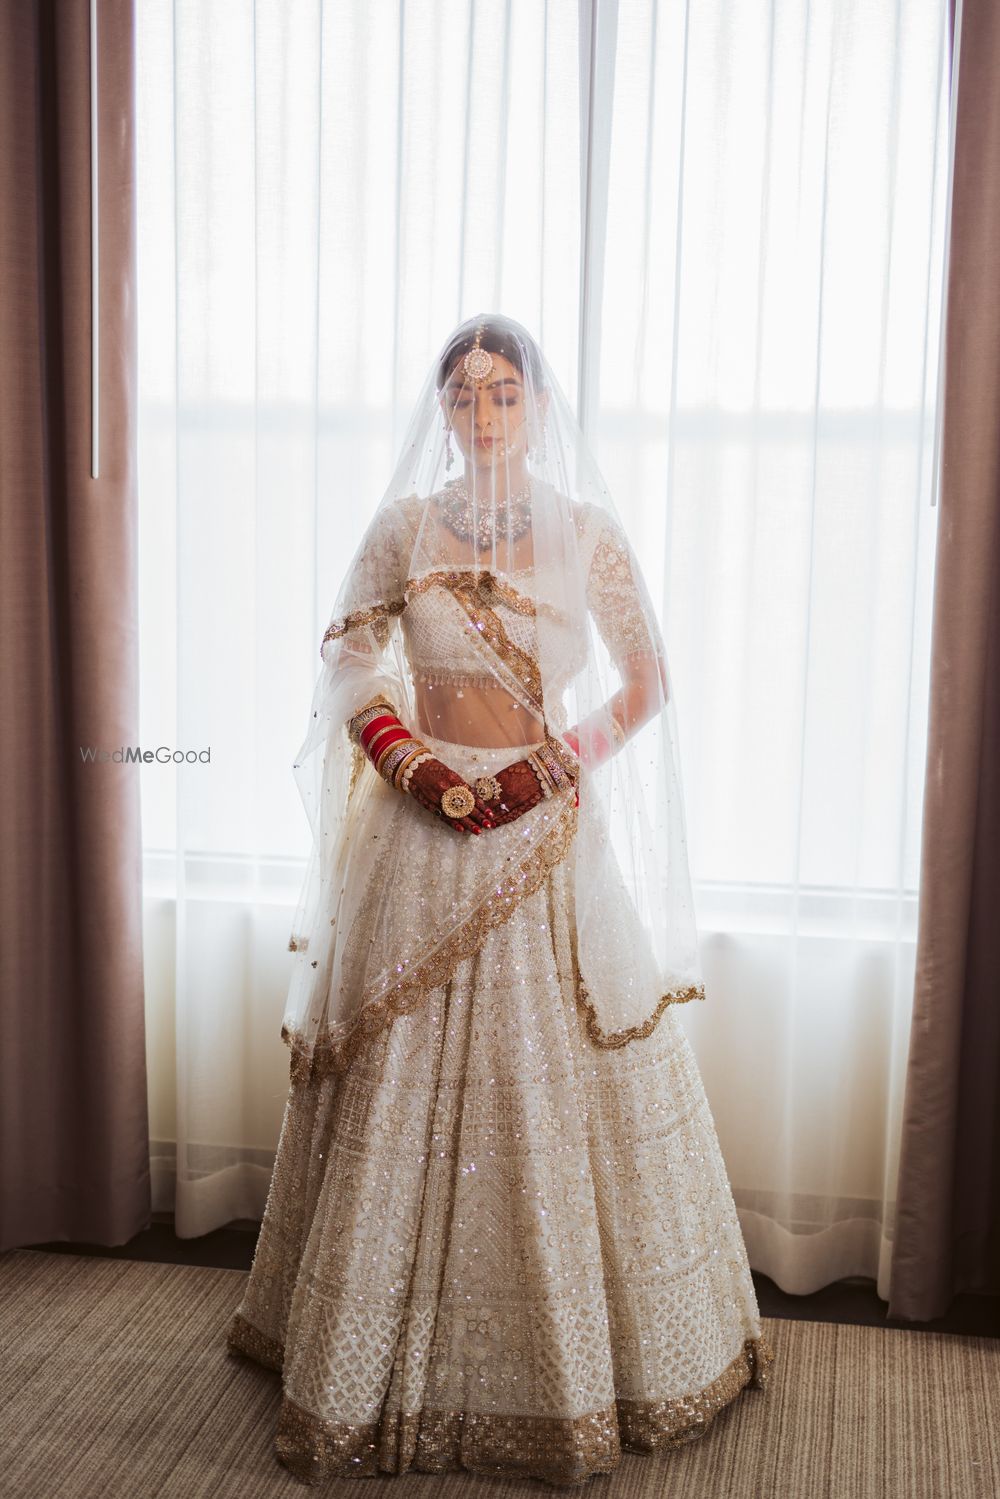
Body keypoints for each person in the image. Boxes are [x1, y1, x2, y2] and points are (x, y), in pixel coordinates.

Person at [225, 313, 775, 1485]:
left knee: (557, 1082)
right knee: (394, 1090)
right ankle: (357, 1348)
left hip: (542, 832)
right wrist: (404, 754)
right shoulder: (400, 529)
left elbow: (647, 682)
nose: (482, 418)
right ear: (441, 412)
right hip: (419, 830)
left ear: (536, 405)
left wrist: (546, 765)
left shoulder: (587, 536)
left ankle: (575, 1361)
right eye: (463, 398)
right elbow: (345, 661)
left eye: (504, 396)